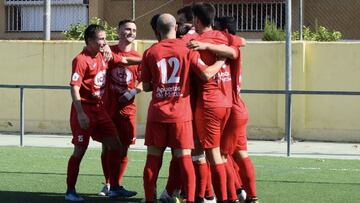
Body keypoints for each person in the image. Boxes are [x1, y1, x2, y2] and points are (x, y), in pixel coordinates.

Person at [141, 13, 226, 203]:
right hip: (181, 113)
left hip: (157, 113)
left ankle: (149, 199)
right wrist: (221, 61)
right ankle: (189, 199)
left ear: (157, 31)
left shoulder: (150, 52)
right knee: (185, 158)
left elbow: (146, 86)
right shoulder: (187, 49)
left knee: (153, 159)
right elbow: (205, 74)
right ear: (175, 27)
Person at [66, 24, 127, 201]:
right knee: (80, 150)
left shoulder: (103, 54)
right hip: (84, 110)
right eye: (101, 39)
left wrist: (146, 59)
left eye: (104, 39)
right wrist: (80, 113)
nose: (104, 42)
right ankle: (70, 191)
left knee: (116, 145)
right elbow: (74, 88)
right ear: (90, 41)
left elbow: (123, 61)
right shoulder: (80, 60)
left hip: (100, 110)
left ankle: (114, 187)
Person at [188, 3, 237, 203]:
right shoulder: (224, 37)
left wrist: (217, 60)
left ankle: (220, 198)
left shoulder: (194, 42)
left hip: (210, 104)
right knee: (217, 154)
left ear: (196, 20)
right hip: (226, 103)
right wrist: (222, 56)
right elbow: (236, 49)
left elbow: (206, 74)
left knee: (213, 155)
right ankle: (209, 196)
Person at [215, 17, 259, 203]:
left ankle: (233, 196)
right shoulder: (231, 47)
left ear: (224, 31)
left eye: (216, 30)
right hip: (239, 107)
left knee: (221, 156)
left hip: (231, 109)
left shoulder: (231, 48)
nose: (213, 34)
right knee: (240, 154)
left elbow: (241, 40)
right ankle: (251, 196)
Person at [98, 19, 142, 198]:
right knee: (107, 147)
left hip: (127, 110)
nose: (131, 32)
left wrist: (132, 93)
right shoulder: (108, 51)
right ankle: (108, 184)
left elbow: (145, 82)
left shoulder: (139, 57)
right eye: (127, 29)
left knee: (124, 148)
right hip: (107, 108)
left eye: (134, 30)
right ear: (118, 31)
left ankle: (117, 184)